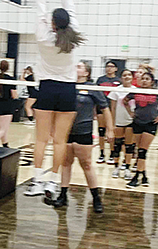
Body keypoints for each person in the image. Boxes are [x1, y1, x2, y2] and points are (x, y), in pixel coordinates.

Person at [24, 0, 85, 202]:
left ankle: (38, 181)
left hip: (47, 88)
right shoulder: (75, 33)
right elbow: (67, 1)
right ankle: (52, 182)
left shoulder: (43, 36)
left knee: (41, 139)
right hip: (68, 90)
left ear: (52, 23)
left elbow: (40, 5)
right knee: (60, 142)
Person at [51, 62, 114, 213]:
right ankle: (63, 195)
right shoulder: (67, 85)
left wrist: (110, 130)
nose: (75, 68)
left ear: (86, 73)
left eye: (79, 66)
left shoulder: (92, 88)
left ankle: (96, 198)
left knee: (86, 164)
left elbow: (105, 109)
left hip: (83, 131)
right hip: (66, 131)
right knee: (66, 163)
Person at [124, 72, 158, 188]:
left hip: (150, 124)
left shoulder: (157, 93)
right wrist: (130, 113)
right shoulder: (135, 91)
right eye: (142, 79)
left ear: (152, 81)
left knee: (142, 151)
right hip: (137, 123)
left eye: (147, 79)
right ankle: (144, 176)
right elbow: (125, 101)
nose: (144, 81)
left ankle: (136, 177)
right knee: (140, 150)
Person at [108, 69, 136, 180]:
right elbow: (113, 108)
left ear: (132, 77)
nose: (127, 76)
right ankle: (116, 167)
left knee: (129, 146)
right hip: (119, 122)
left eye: (129, 75)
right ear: (121, 78)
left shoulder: (136, 90)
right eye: (124, 75)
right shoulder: (116, 90)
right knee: (117, 145)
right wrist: (112, 123)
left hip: (131, 121)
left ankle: (127, 168)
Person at [96, 61, 120, 165]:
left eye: (111, 67)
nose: (109, 68)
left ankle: (112, 153)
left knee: (111, 132)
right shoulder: (100, 80)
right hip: (101, 108)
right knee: (101, 131)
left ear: (116, 69)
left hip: (113, 108)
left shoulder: (118, 81)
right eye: (107, 66)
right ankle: (101, 154)